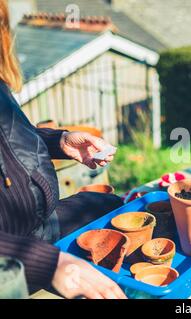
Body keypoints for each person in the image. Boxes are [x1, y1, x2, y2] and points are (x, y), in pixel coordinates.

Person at [0, 0, 126, 299]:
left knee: (112, 206)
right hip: (12, 254)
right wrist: (47, 263)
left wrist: (60, 141)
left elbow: (9, 142)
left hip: (35, 226)